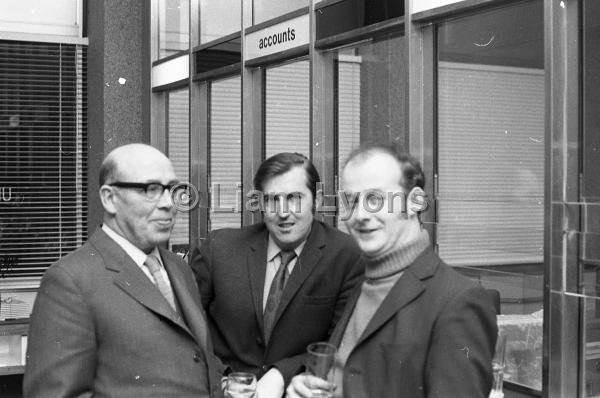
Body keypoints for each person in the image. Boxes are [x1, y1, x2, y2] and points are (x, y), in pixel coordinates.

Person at [286, 145, 498, 398]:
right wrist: (305, 383)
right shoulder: (366, 280)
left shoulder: (459, 300)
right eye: (351, 201)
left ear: (415, 202)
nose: (361, 215)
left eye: (375, 199)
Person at [24, 144, 225, 398]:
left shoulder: (179, 267)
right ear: (109, 198)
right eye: (150, 190)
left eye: (173, 190)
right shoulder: (69, 280)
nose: (168, 204)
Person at [190, 152, 363, 398]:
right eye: (272, 200)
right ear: (259, 203)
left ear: (317, 199)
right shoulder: (219, 248)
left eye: (294, 198)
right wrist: (224, 380)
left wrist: (282, 373)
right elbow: (185, 328)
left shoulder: (346, 255)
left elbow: (342, 344)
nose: (283, 212)